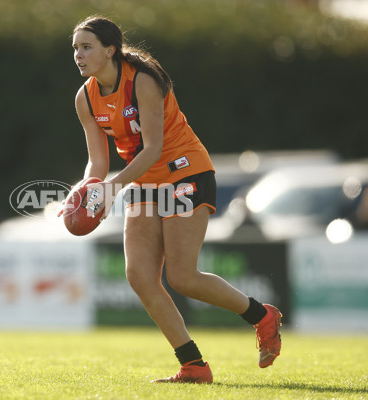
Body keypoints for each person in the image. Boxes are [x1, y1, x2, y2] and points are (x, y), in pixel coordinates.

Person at [70, 16, 282, 384]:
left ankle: (262, 316)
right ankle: (194, 365)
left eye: (86, 47)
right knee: (139, 276)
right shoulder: (85, 98)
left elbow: (152, 149)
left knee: (182, 277)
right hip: (143, 182)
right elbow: (98, 161)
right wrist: (89, 191)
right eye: (75, 48)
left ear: (110, 50)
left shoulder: (143, 81)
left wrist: (113, 187)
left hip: (185, 172)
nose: (79, 54)